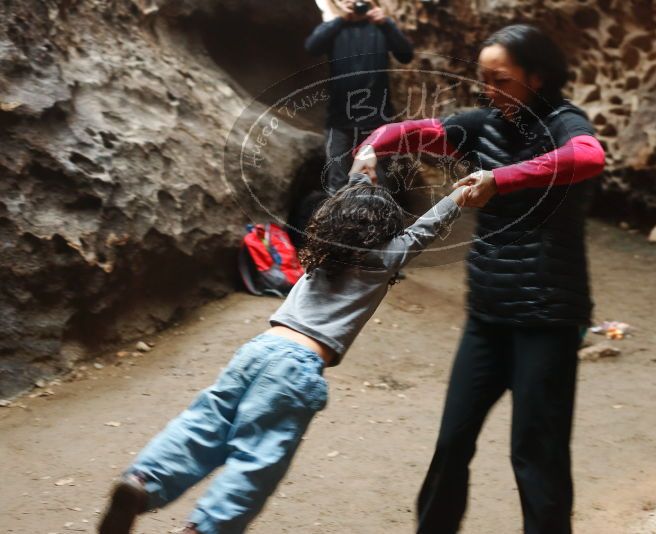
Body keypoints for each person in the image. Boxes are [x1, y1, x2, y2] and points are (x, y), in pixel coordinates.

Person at [97, 174, 468, 534]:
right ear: (385, 233)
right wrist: (458, 198)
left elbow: (344, 205)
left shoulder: (322, 258)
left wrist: (360, 172)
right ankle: (205, 528)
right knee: (257, 460)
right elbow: (423, 230)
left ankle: (143, 481)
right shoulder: (379, 262)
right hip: (295, 369)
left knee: (203, 426)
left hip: (258, 350)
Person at [350, 24, 606, 534]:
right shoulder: (484, 123)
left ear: (537, 77)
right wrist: (372, 146)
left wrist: (501, 178)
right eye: (484, 79)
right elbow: (421, 131)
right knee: (452, 443)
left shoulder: (564, 121)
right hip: (487, 315)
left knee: (536, 457)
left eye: (502, 80)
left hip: (547, 316)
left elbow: (588, 157)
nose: (489, 90)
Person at [305, 0, 414, 194]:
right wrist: (340, 19)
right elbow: (312, 47)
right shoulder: (335, 27)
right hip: (339, 120)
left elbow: (406, 54)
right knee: (337, 184)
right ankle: (338, 222)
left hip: (377, 120)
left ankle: (381, 221)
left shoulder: (380, 27)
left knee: (379, 183)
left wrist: (386, 23)